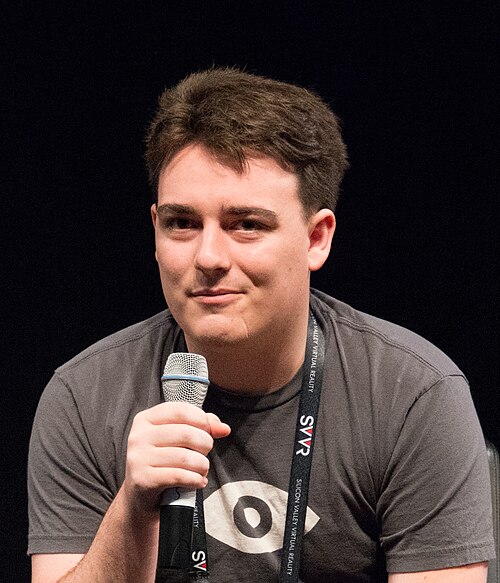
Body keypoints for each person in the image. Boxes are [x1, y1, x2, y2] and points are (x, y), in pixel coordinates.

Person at [28, 67, 494, 583]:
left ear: (316, 238)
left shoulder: (412, 395)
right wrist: (134, 510)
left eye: (246, 225)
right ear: (154, 229)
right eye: (182, 224)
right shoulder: (84, 397)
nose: (208, 256)